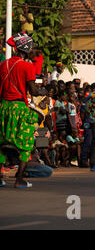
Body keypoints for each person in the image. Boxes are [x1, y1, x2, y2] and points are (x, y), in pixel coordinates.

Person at [0, 32, 47, 188]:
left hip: (4, 107)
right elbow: (33, 91)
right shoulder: (27, 66)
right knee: (26, 143)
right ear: (26, 48)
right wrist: (43, 92)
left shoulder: (3, 64)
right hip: (19, 108)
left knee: (2, 142)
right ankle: (19, 180)